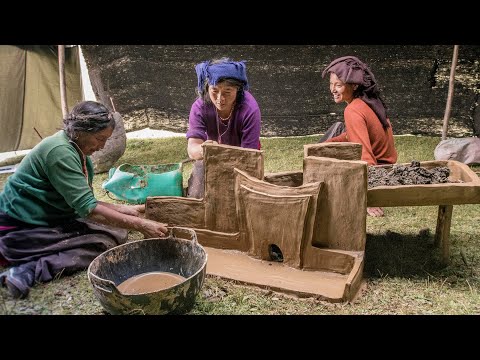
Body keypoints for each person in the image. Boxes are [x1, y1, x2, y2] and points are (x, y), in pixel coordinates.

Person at [0, 100, 168, 299]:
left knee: (117, 230)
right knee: (101, 243)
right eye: (99, 139)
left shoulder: (78, 151)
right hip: (20, 227)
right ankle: (27, 270)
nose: (102, 146)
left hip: (49, 217)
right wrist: (142, 225)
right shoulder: (59, 152)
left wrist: (128, 210)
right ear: (81, 131)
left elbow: (86, 201)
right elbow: (90, 209)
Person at [320, 56, 398, 217]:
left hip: (379, 173)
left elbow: (365, 155)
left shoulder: (353, 110)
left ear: (354, 85)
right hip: (387, 168)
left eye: (338, 85)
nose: (333, 90)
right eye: (331, 84)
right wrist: (326, 144)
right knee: (327, 141)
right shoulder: (369, 101)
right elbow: (352, 135)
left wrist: (369, 199)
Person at [186, 57, 261, 198]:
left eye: (227, 92)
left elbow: (249, 155)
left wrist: (225, 158)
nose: (220, 98)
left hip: (243, 162)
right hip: (211, 159)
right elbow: (193, 148)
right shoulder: (199, 107)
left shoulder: (250, 109)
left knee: (242, 199)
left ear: (238, 90)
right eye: (214, 91)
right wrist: (204, 151)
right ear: (207, 88)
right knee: (197, 197)